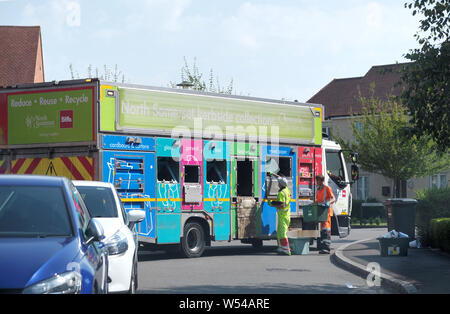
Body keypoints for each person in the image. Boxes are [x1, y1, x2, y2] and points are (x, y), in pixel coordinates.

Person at [268, 173, 291, 256]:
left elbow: (281, 205)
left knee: (282, 233)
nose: (277, 183)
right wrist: (272, 174)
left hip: (283, 215)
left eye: (278, 183)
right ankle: (281, 247)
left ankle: (286, 250)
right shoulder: (287, 189)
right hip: (285, 215)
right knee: (279, 233)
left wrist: (271, 204)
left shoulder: (281, 193)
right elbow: (281, 178)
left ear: (281, 184)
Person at [315, 174, 336, 254]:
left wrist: (328, 202)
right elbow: (318, 201)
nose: (317, 182)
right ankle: (323, 248)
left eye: (318, 180)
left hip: (326, 212)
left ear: (321, 181)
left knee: (326, 229)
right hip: (321, 212)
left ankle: (327, 248)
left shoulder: (327, 188)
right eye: (317, 180)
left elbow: (333, 198)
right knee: (323, 230)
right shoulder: (319, 190)